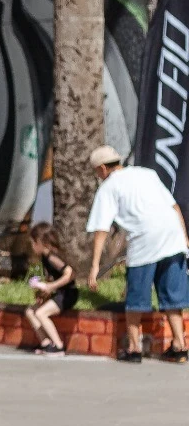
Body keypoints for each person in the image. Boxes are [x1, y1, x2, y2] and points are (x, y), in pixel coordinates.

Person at [84, 144, 189, 363]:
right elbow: (174, 207)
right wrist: (184, 238)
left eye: (97, 172)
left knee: (136, 298)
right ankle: (180, 346)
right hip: (173, 236)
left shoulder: (109, 186)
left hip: (145, 239)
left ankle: (134, 348)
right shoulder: (147, 174)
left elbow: (101, 228)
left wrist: (94, 266)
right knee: (172, 296)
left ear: (102, 168)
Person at [24, 223, 78, 356]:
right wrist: (44, 291)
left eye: (33, 243)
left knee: (41, 313)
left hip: (68, 294)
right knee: (31, 311)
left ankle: (59, 346)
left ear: (42, 242)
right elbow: (51, 278)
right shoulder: (45, 257)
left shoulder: (53, 257)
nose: (32, 246)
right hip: (59, 293)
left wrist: (50, 287)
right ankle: (46, 343)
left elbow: (70, 273)